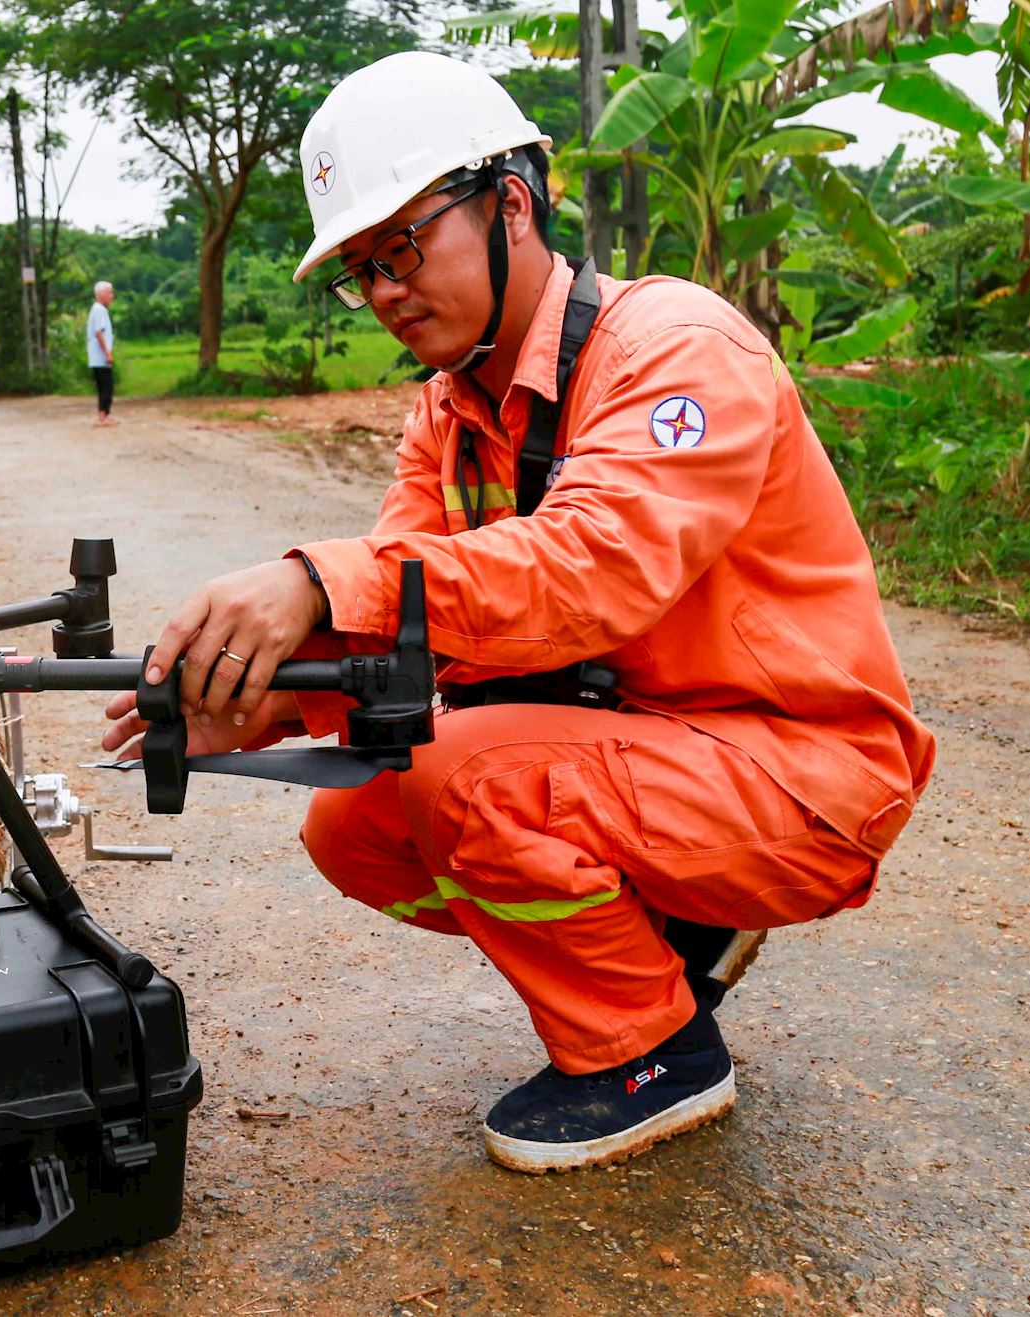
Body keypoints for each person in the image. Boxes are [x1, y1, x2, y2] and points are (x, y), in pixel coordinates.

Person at [101, 52, 934, 1173]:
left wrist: (309, 578)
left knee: (464, 774)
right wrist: (258, 706)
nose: (386, 290)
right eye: (359, 268)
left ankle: (650, 1055)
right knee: (355, 823)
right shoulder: (448, 414)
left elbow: (589, 570)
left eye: (402, 247)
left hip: (800, 768)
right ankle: (670, 931)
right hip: (652, 753)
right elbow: (400, 613)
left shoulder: (673, 348)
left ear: (511, 203)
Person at [87, 280, 118, 426]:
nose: (112, 296)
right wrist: (107, 353)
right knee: (106, 386)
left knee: (104, 386)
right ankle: (103, 415)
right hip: (100, 357)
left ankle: (104, 414)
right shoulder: (99, 310)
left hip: (99, 356)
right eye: (109, 292)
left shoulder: (98, 309)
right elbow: (99, 332)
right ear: (101, 294)